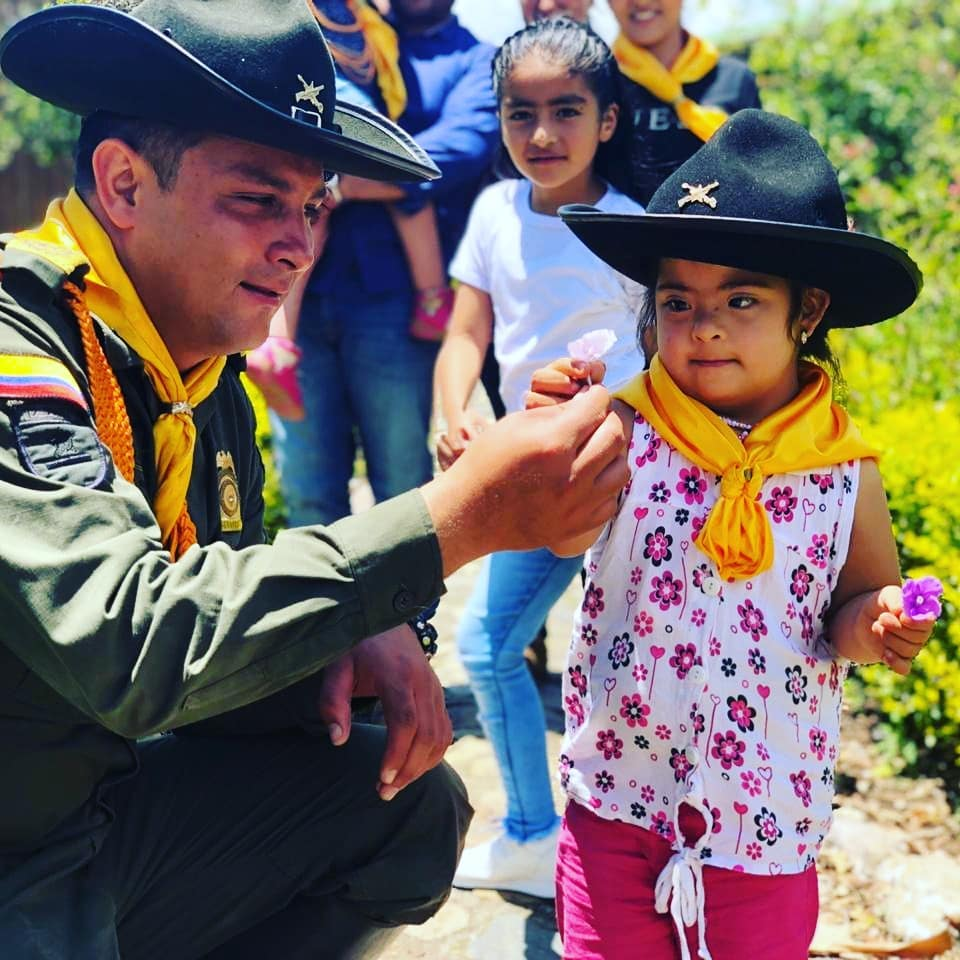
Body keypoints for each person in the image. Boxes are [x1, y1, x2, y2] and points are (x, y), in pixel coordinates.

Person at [0, 1, 632, 957]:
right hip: (21, 848)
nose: (296, 243)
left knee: (407, 809)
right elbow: (130, 643)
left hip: (92, 808)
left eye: (312, 206)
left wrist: (357, 633)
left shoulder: (192, 367)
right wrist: (451, 520)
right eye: (259, 200)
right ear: (123, 184)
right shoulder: (26, 341)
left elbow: (221, 580)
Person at [524, 109, 932, 959]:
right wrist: (548, 449)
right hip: (616, 802)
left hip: (763, 822)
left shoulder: (841, 468)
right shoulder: (628, 430)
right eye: (679, 300)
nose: (703, 325)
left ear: (808, 310)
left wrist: (882, 622)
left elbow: (852, 611)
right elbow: (560, 541)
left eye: (741, 298)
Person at [433, 17, 643, 899]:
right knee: (487, 649)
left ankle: (590, 842)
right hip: (530, 480)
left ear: (609, 120)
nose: (543, 135)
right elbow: (464, 335)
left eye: (567, 111)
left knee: (616, 664)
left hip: (619, 483)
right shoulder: (493, 212)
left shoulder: (634, 228)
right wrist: (453, 413)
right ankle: (535, 832)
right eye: (521, 114)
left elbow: (665, 365)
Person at [265, 0, 500, 525]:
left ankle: (406, 610)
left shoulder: (476, 62)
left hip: (393, 307)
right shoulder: (340, 32)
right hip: (294, 292)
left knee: (401, 490)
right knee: (307, 492)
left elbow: (448, 156)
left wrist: (334, 182)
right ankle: (318, 610)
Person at [608, 0, 761, 206]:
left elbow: (756, 177)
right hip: (620, 235)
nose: (641, 1)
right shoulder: (600, 82)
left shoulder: (735, 78)